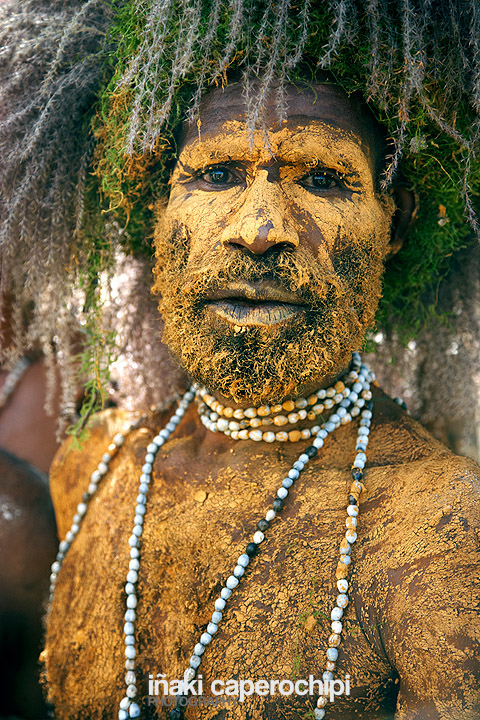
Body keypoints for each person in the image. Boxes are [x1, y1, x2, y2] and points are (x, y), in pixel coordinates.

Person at [1, 1, 479, 719]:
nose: (261, 231)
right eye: (218, 173)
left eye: (321, 178)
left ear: (396, 223)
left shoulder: (439, 528)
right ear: (151, 211)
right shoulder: (90, 471)